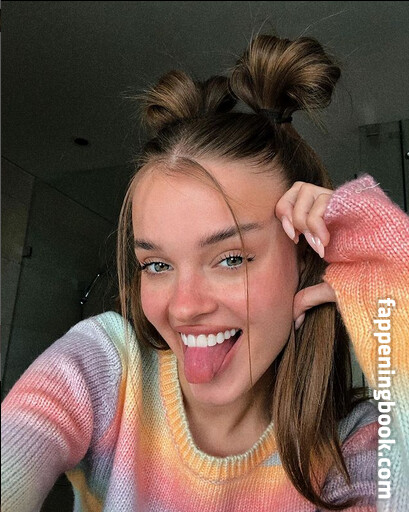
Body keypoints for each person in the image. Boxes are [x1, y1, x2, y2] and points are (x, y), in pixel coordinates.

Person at [1, 33, 408, 512]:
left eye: (231, 258)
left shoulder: (355, 445)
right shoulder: (106, 369)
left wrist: (395, 284)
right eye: (157, 265)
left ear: (305, 261)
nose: (184, 308)